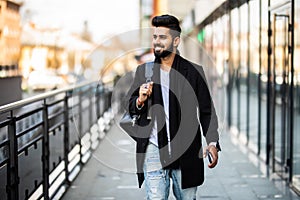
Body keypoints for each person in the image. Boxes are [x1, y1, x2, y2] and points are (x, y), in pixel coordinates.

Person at [126, 14, 221, 200]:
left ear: (176, 41)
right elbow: (130, 106)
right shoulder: (144, 72)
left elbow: (206, 111)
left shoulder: (193, 72)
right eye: (155, 37)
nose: (157, 42)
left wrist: (212, 143)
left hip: (186, 150)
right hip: (153, 149)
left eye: (163, 37)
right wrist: (140, 100)